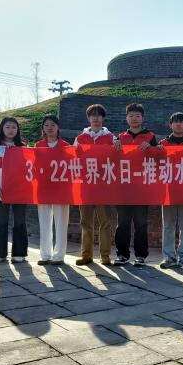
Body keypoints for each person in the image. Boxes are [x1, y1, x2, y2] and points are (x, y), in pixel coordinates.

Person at [114, 103, 158, 266]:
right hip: (124, 187)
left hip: (142, 188)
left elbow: (158, 159)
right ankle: (122, 254)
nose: (134, 119)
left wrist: (152, 148)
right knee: (123, 224)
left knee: (141, 223)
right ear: (126, 118)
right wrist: (114, 149)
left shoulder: (150, 137)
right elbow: (113, 161)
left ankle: (141, 256)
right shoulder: (120, 138)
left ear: (143, 118)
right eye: (131, 116)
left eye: (137, 116)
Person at [74, 104, 116, 266]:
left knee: (105, 222)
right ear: (88, 118)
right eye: (93, 115)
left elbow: (117, 159)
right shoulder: (80, 138)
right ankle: (86, 255)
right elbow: (73, 159)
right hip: (86, 186)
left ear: (103, 118)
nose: (96, 118)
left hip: (104, 186)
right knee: (85, 222)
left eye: (99, 115)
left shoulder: (111, 138)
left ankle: (105, 255)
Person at [0, 117, 28, 264]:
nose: (11, 130)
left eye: (14, 127)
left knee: (20, 221)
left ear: (18, 130)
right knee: (2, 221)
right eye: (8, 127)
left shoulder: (24, 147)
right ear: (2, 129)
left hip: (20, 190)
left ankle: (19, 253)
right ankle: (0, 254)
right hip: (0, 190)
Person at [159, 112, 183, 270]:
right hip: (168, 190)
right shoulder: (163, 143)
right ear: (170, 125)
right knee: (168, 225)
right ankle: (168, 257)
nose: (179, 124)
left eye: (182, 122)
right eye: (176, 122)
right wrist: (157, 151)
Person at [34, 115, 71, 266]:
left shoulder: (66, 146)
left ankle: (59, 256)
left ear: (58, 127)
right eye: (46, 125)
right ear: (43, 128)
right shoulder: (38, 145)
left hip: (61, 188)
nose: (50, 128)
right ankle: (45, 255)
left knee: (61, 222)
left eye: (53, 125)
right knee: (44, 222)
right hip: (43, 188)